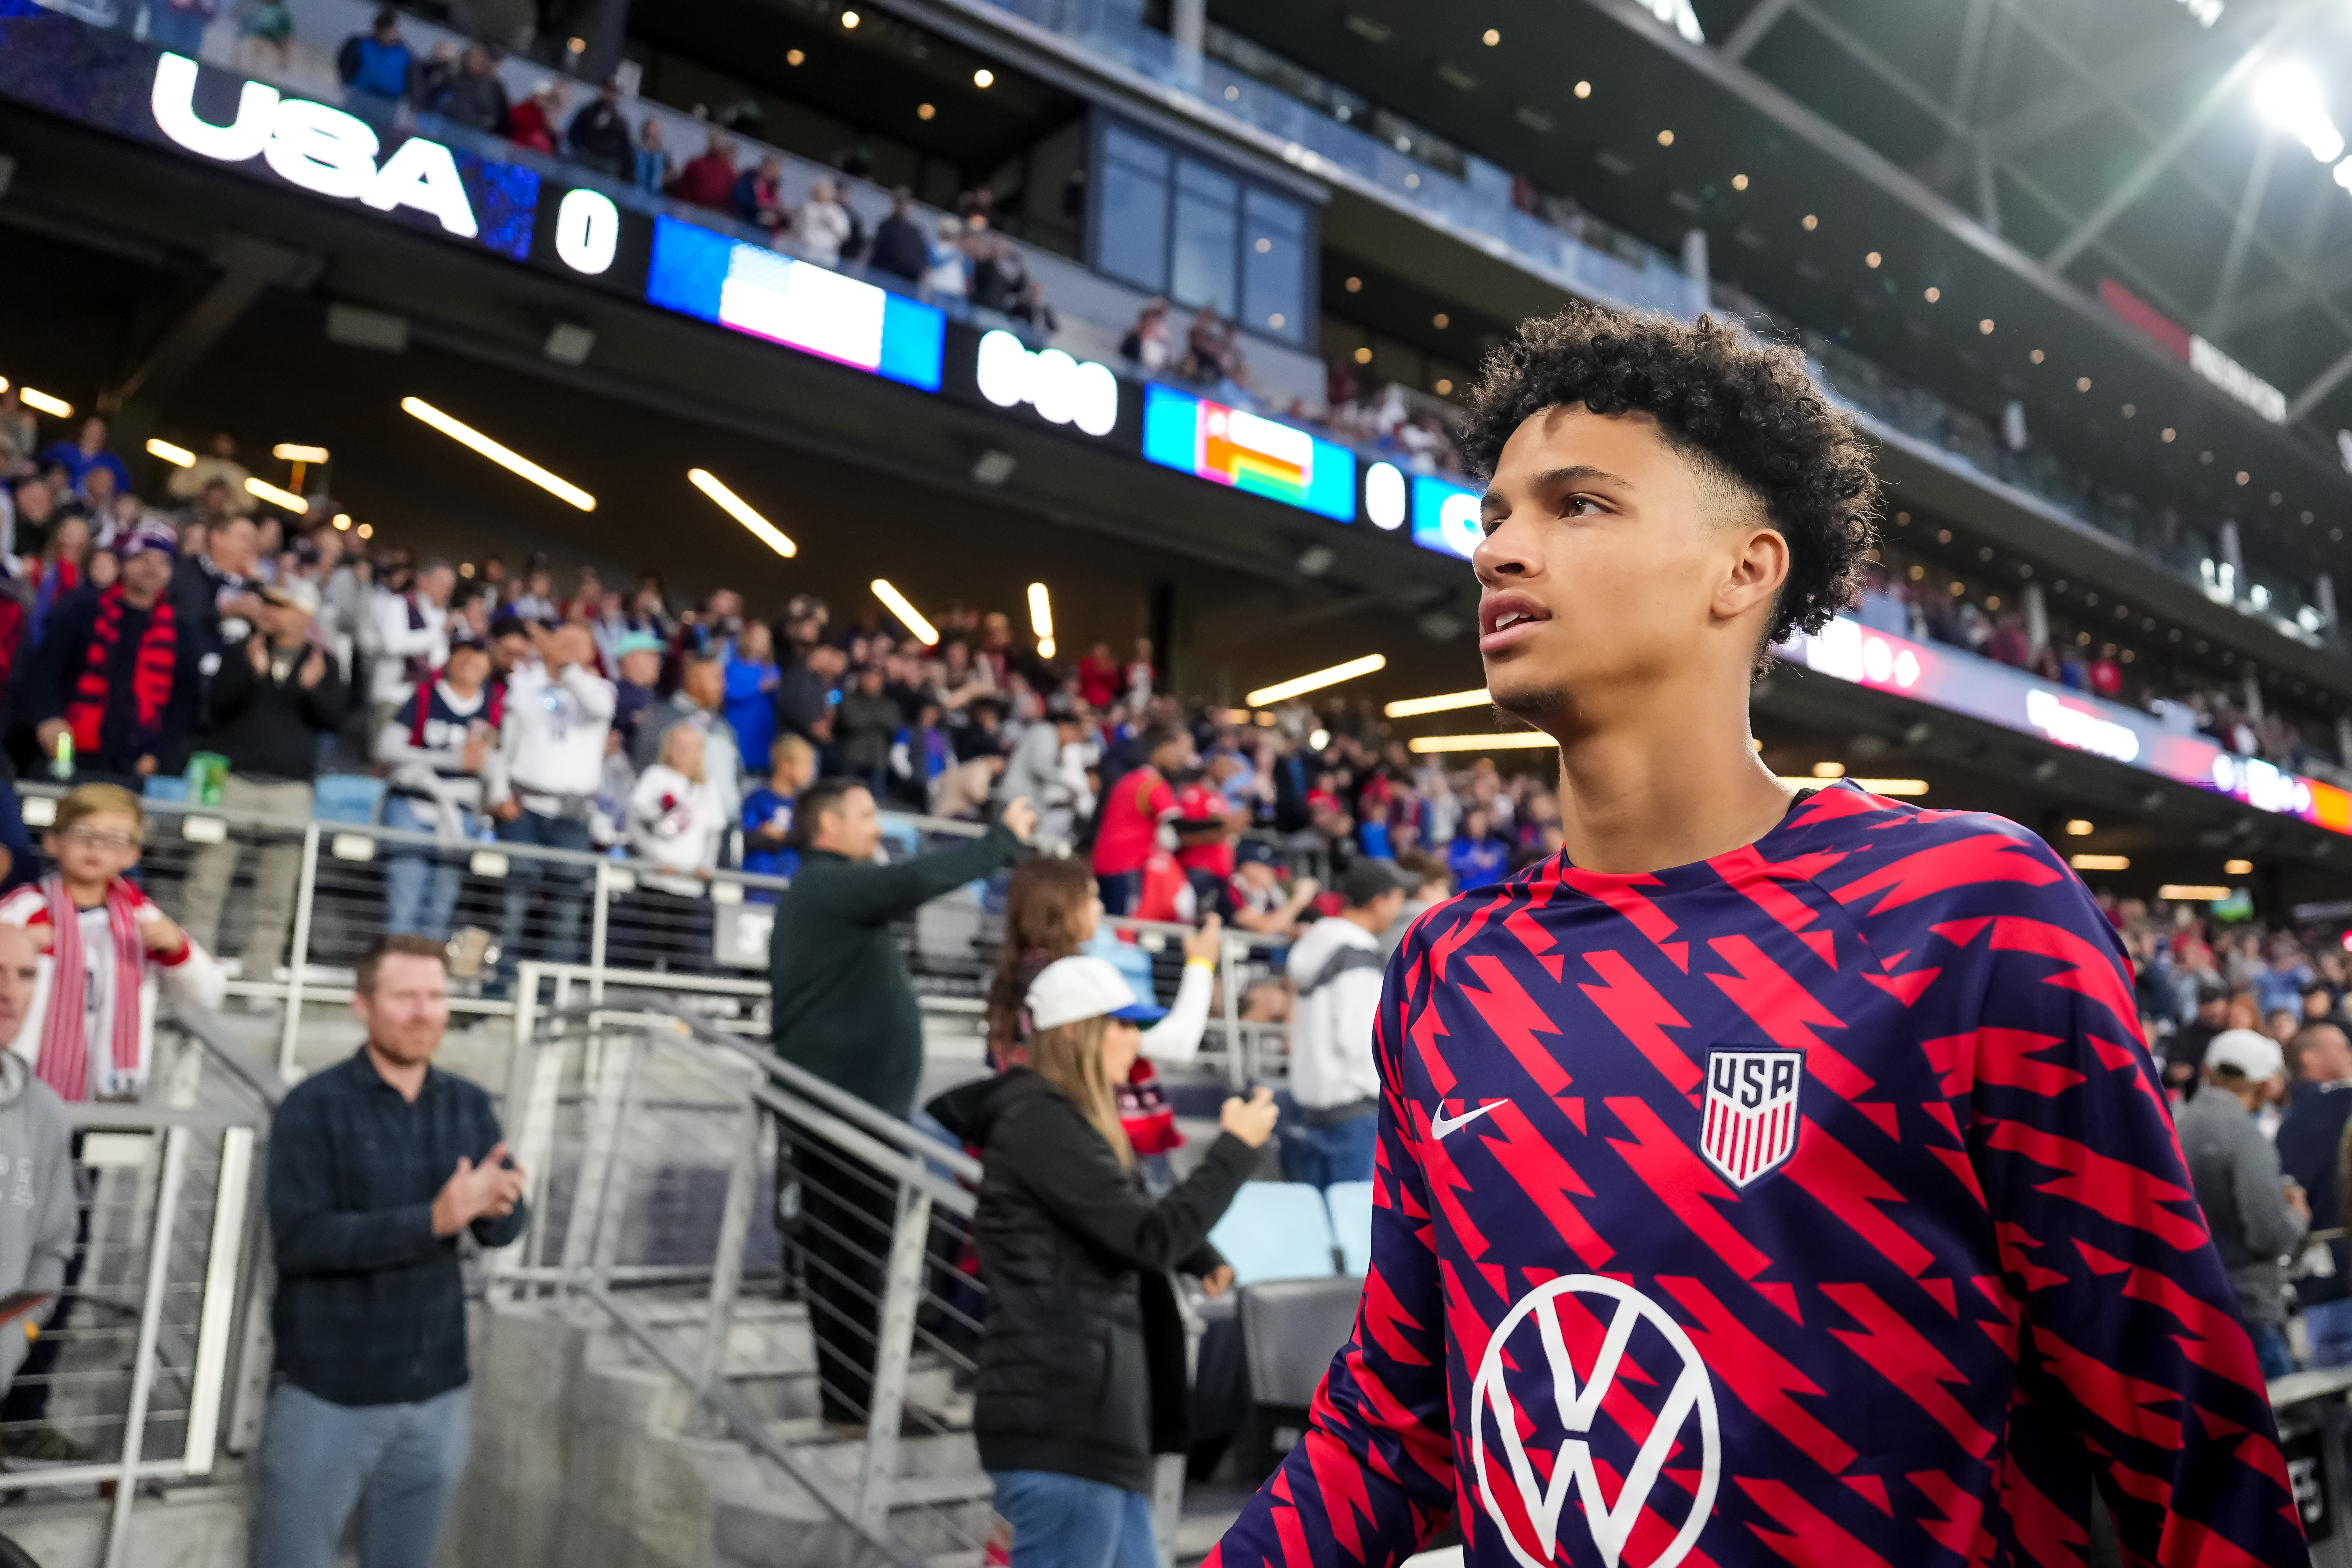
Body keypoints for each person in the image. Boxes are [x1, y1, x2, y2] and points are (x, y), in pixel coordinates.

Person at [1210, 306, 2298, 1564]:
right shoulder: (1451, 970)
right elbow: (1394, 1429)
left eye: (1576, 505)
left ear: (1745, 568)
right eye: (1497, 511)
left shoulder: (1966, 911)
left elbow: (2186, 1445)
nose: (1499, 549)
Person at [928, 957, 1277, 1568]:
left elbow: (1112, 1215)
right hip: (1062, 1422)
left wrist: (1196, 1254)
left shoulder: (1061, 1124)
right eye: (1119, 1024)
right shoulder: (1040, 1121)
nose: (1133, 1040)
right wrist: (1232, 1152)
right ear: (1072, 1032)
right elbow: (1144, 1236)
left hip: (1090, 1424)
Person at [767, 780, 1034, 1432]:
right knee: (854, 1263)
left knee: (853, 1261)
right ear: (825, 826)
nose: (874, 826)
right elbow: (916, 880)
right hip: (842, 1118)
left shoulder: (825, 890)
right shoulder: (829, 882)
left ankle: (855, 1401)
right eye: (861, 814)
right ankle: (857, 1403)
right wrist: (1001, 838)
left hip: (853, 1114)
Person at [254, 936, 528, 1568]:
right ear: (363, 1005)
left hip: (437, 1398)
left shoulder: (467, 1103)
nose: (423, 1011)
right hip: (329, 1395)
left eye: (435, 996)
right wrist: (433, 1219)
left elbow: (500, 1232)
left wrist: (503, 1204)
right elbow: (301, 1239)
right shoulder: (313, 1107)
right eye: (404, 996)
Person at [985, 855, 1222, 1158]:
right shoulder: (1066, 978)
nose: (1100, 908)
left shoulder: (1015, 975)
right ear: (1062, 905)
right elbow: (1178, 1043)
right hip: (1078, 1140)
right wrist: (1201, 965)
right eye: (1092, 897)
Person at [179, 579, 343, 987]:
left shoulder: (325, 662)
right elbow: (215, 709)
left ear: (305, 615)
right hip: (233, 779)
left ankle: (260, 981)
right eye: (268, 603)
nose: (271, 611)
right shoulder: (241, 652)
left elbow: (334, 719)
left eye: (282, 605)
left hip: (290, 788)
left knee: (276, 897)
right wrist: (252, 676)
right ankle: (193, 978)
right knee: (206, 883)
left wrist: (310, 689)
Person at [485, 624, 614, 989]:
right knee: (512, 905)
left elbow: (596, 708)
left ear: (590, 652)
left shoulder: (601, 689)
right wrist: (497, 795)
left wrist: (565, 667)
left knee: (565, 913)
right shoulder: (525, 684)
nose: (567, 648)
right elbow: (504, 744)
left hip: (572, 816)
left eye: (577, 643)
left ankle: (549, 1000)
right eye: (562, 640)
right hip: (524, 808)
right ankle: (495, 992)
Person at [21, 524, 198, 783]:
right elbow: (43, 670)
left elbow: (185, 702)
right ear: (123, 564)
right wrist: (48, 719)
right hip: (69, 754)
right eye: (143, 559)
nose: (153, 568)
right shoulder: (82, 610)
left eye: (163, 562)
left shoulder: (179, 630)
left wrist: (160, 755)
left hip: (135, 764)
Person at [2178, 1029, 2308, 1380]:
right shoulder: (2243, 1135)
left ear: (2207, 1070)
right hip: (2249, 1305)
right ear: (2266, 1084)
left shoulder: (2177, 1124)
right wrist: (2295, 1218)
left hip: (2193, 1301)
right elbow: (2267, 1233)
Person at [1278, 860, 1406, 1190]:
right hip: (1354, 1111)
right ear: (1379, 900)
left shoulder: (1320, 938)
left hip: (1310, 1105)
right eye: (1397, 897)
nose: (1399, 907)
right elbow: (1361, 1038)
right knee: (1353, 1230)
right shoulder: (1356, 951)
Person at [377, 636, 499, 941]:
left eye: (479, 655)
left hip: (460, 813)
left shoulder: (493, 708)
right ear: (450, 659)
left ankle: (425, 982)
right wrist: (449, 760)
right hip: (413, 802)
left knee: (441, 909)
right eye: (464, 654)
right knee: (405, 902)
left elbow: (496, 762)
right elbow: (387, 747)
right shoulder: (424, 696)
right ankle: (397, 978)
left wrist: (487, 772)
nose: (471, 661)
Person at [0, 924, 73, 1409]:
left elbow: (50, 1251)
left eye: (25, 975)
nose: (10, 993)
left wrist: (10, 1344)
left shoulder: (44, 1110)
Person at [620, 725, 724, 972]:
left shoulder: (708, 788)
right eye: (679, 745)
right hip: (656, 879)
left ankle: (678, 1004)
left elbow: (714, 832)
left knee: (683, 952)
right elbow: (634, 821)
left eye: (691, 747)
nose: (684, 753)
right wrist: (654, 859)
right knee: (648, 946)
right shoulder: (655, 776)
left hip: (689, 884)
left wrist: (705, 865)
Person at [2279, 1021, 2352, 1367]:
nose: (2349, 1053)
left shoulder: (2286, 1123)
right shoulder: (2340, 1107)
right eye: (2341, 1047)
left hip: (2318, 1281)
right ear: (2309, 1058)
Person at [1092, 728, 1193, 916]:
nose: (1180, 760)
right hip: (1127, 865)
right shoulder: (1153, 784)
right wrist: (1220, 826)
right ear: (1158, 752)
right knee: (1123, 927)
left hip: (1104, 861)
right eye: (1175, 753)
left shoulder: (1129, 779)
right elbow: (1179, 826)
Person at [368, 556, 455, 742]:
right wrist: (438, 634)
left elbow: (438, 656)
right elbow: (393, 645)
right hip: (394, 694)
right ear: (422, 580)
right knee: (382, 755)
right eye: (442, 585)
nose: (447, 592)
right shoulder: (398, 604)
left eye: (450, 587)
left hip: (423, 698)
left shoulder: (441, 614)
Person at [741, 733, 816, 894]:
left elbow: (808, 839)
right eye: (806, 764)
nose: (811, 771)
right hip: (758, 885)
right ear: (785, 765)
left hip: (792, 885)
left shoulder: (806, 804)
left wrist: (780, 835)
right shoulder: (757, 799)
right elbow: (749, 836)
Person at [34, 417, 128, 499]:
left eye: (98, 431)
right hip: (57, 500)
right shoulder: (61, 449)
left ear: (104, 436)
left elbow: (122, 493)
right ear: (83, 429)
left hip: (94, 510)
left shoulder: (112, 462)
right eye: (90, 428)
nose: (93, 434)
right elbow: (40, 468)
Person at [335, 8, 413, 101]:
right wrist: (346, 80)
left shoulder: (404, 54)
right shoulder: (361, 44)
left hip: (388, 101)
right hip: (360, 93)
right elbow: (345, 61)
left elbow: (412, 78)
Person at [868, 187, 929, 285]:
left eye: (904, 203)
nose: (902, 207)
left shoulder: (915, 232)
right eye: (900, 203)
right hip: (884, 278)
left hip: (904, 283)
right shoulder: (887, 226)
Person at [792, 178, 853, 268]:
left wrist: (830, 223)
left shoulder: (836, 211)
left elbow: (845, 233)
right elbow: (797, 229)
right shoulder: (808, 208)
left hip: (827, 257)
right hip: (807, 254)